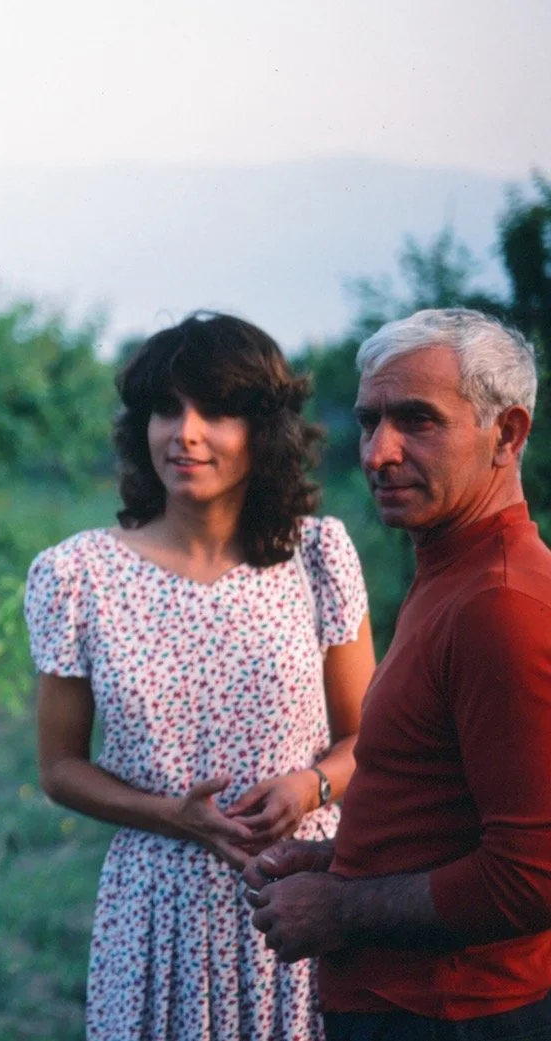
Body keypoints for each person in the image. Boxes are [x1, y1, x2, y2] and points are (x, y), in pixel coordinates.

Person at [26, 312, 376, 1041]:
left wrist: (306, 787)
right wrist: (173, 815)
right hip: (155, 903)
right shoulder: (77, 575)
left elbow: (364, 739)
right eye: (165, 408)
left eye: (216, 410)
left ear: (265, 430)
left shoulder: (319, 556)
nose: (184, 432)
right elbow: (59, 767)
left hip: (298, 894)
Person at [245, 308, 551, 1040]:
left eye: (417, 420)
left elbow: (534, 875)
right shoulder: (452, 569)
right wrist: (333, 859)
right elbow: (448, 817)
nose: (379, 452)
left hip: (458, 1013)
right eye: (369, 420)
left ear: (506, 434)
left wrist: (341, 907)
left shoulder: (501, 603)